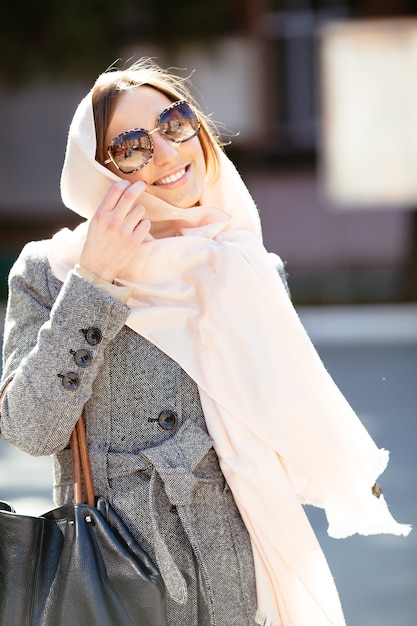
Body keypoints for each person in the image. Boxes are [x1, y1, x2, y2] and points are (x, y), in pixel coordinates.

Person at [0, 58, 411, 626]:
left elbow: (280, 430)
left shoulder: (247, 266)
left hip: (239, 584)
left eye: (176, 122)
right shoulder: (51, 272)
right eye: (134, 146)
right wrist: (94, 283)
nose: (168, 153)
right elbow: (29, 429)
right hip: (116, 581)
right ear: (99, 170)